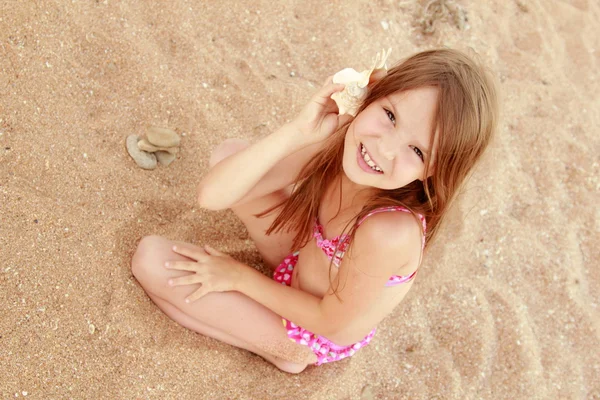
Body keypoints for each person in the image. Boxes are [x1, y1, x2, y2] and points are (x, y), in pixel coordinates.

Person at [131, 49, 498, 373]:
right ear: (373, 92)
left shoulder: (389, 232)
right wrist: (298, 130)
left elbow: (332, 322)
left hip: (311, 329)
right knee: (232, 157)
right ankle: (260, 328)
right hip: (299, 260)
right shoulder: (342, 141)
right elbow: (213, 195)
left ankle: (284, 353)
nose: (385, 149)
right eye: (389, 115)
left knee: (150, 259)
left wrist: (238, 277)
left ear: (433, 171)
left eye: (417, 151)